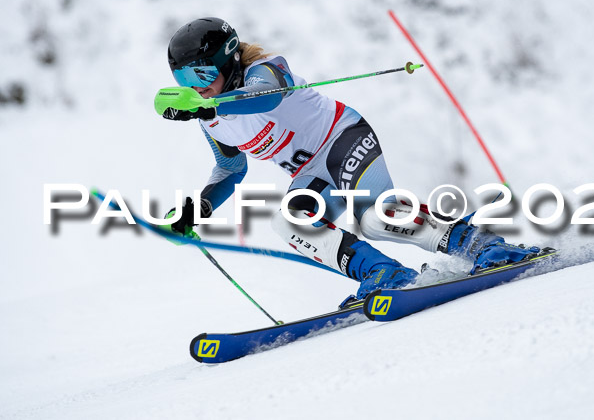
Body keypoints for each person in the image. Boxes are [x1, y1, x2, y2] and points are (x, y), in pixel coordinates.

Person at [160, 17, 540, 304]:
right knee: (290, 224)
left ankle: (480, 245)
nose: (195, 85)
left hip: (343, 138)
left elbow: (266, 97)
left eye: (201, 72)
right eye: (182, 78)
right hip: (311, 172)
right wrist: (200, 208)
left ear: (227, 62)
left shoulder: (266, 69)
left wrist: (206, 104)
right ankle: (384, 274)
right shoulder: (210, 117)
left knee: (376, 219)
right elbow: (230, 169)